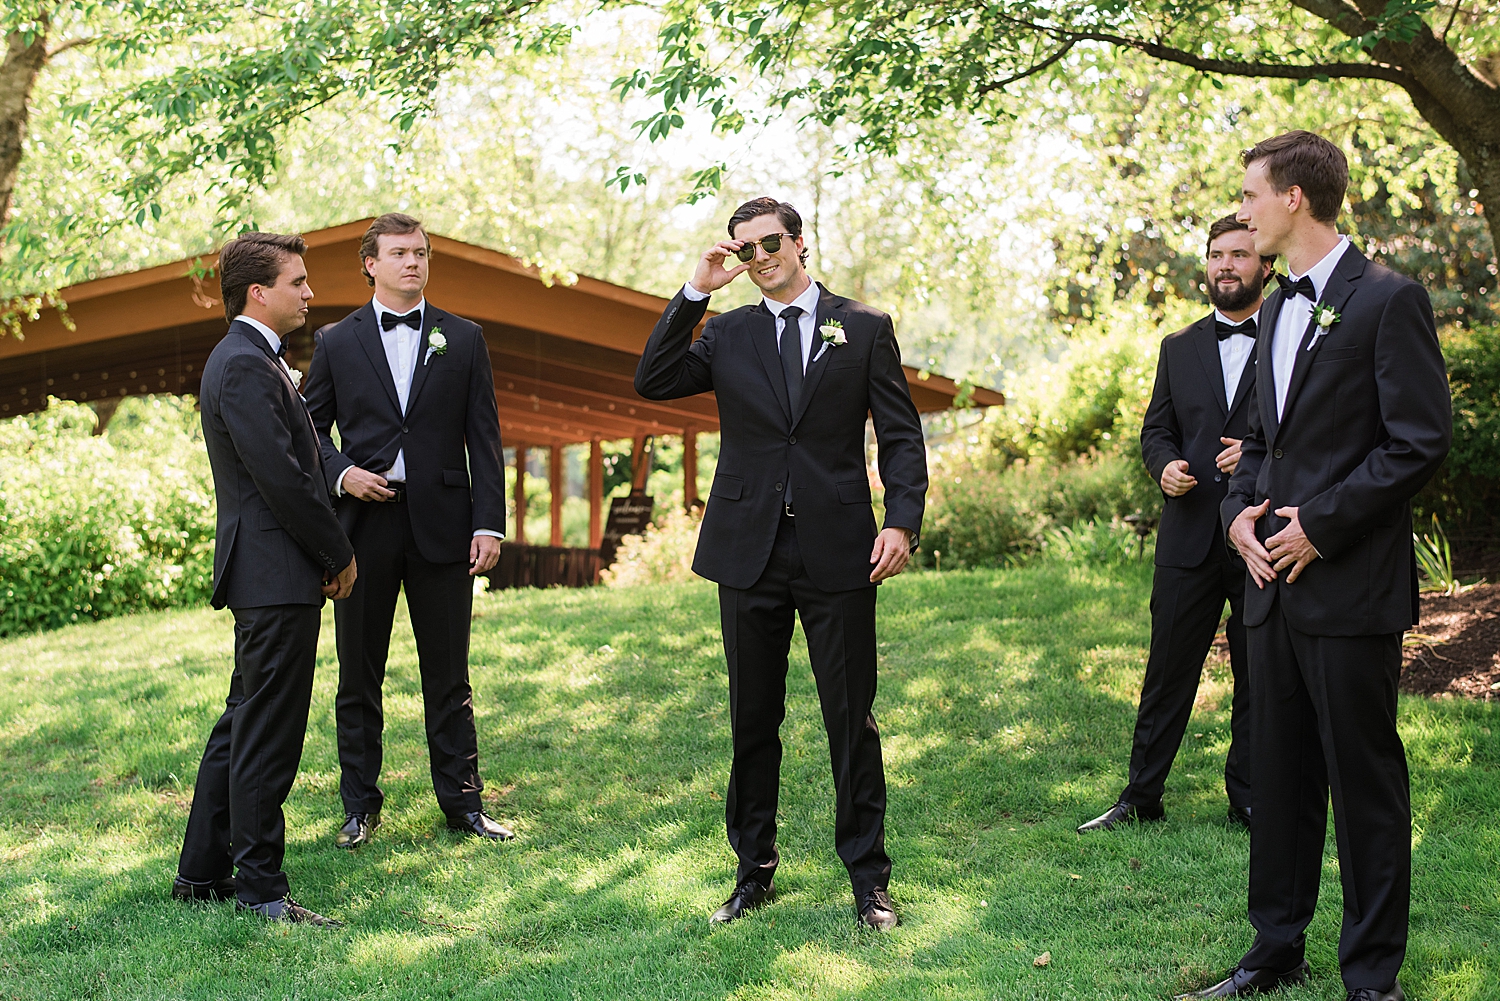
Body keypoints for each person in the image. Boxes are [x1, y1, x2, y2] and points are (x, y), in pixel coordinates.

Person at [1180, 132, 1450, 1001]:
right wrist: (1239, 520)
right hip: (1268, 592)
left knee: (1364, 782)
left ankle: (1371, 975)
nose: (1243, 209)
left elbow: (1417, 443)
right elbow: (1258, 441)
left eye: (1251, 194)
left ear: (1294, 198)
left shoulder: (1387, 301)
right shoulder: (1276, 307)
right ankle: (1274, 947)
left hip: (1349, 585)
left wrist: (1319, 527)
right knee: (1278, 773)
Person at [635, 197, 928, 930]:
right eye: (744, 250)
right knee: (752, 718)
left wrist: (901, 520)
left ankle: (869, 880)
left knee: (849, 719)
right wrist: (696, 290)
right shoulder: (726, 333)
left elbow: (901, 434)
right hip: (748, 548)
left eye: (770, 242)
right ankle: (753, 872)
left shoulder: (862, 327)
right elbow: (653, 378)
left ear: (800, 242)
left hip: (838, 549)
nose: (759, 256)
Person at [302, 213, 511, 849]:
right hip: (362, 528)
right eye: (399, 254)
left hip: (445, 528)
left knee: (449, 674)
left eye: (420, 253)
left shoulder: (465, 337)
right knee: (358, 674)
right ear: (370, 264)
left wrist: (489, 524)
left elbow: (486, 438)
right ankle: (359, 807)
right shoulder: (336, 341)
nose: (413, 264)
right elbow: (307, 431)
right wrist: (342, 475)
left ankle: (465, 806)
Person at [174, 232, 357, 927]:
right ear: (260, 291)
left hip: (268, 570)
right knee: (267, 735)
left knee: (241, 725)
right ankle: (262, 889)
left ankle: (201, 872)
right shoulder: (246, 364)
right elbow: (283, 477)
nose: (310, 292)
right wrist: (338, 552)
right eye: (299, 281)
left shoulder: (253, 359)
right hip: (275, 570)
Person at [1078, 215, 1272, 835]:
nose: (1225, 266)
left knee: (1259, 674)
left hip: (1261, 535)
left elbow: (1311, 427)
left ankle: (1249, 797)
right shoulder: (1179, 347)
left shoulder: (1293, 340)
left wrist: (1261, 452)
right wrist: (1164, 468)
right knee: (1166, 671)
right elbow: (1156, 429)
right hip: (1188, 536)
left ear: (1265, 264)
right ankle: (1141, 797)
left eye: (1239, 255)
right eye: (1217, 255)